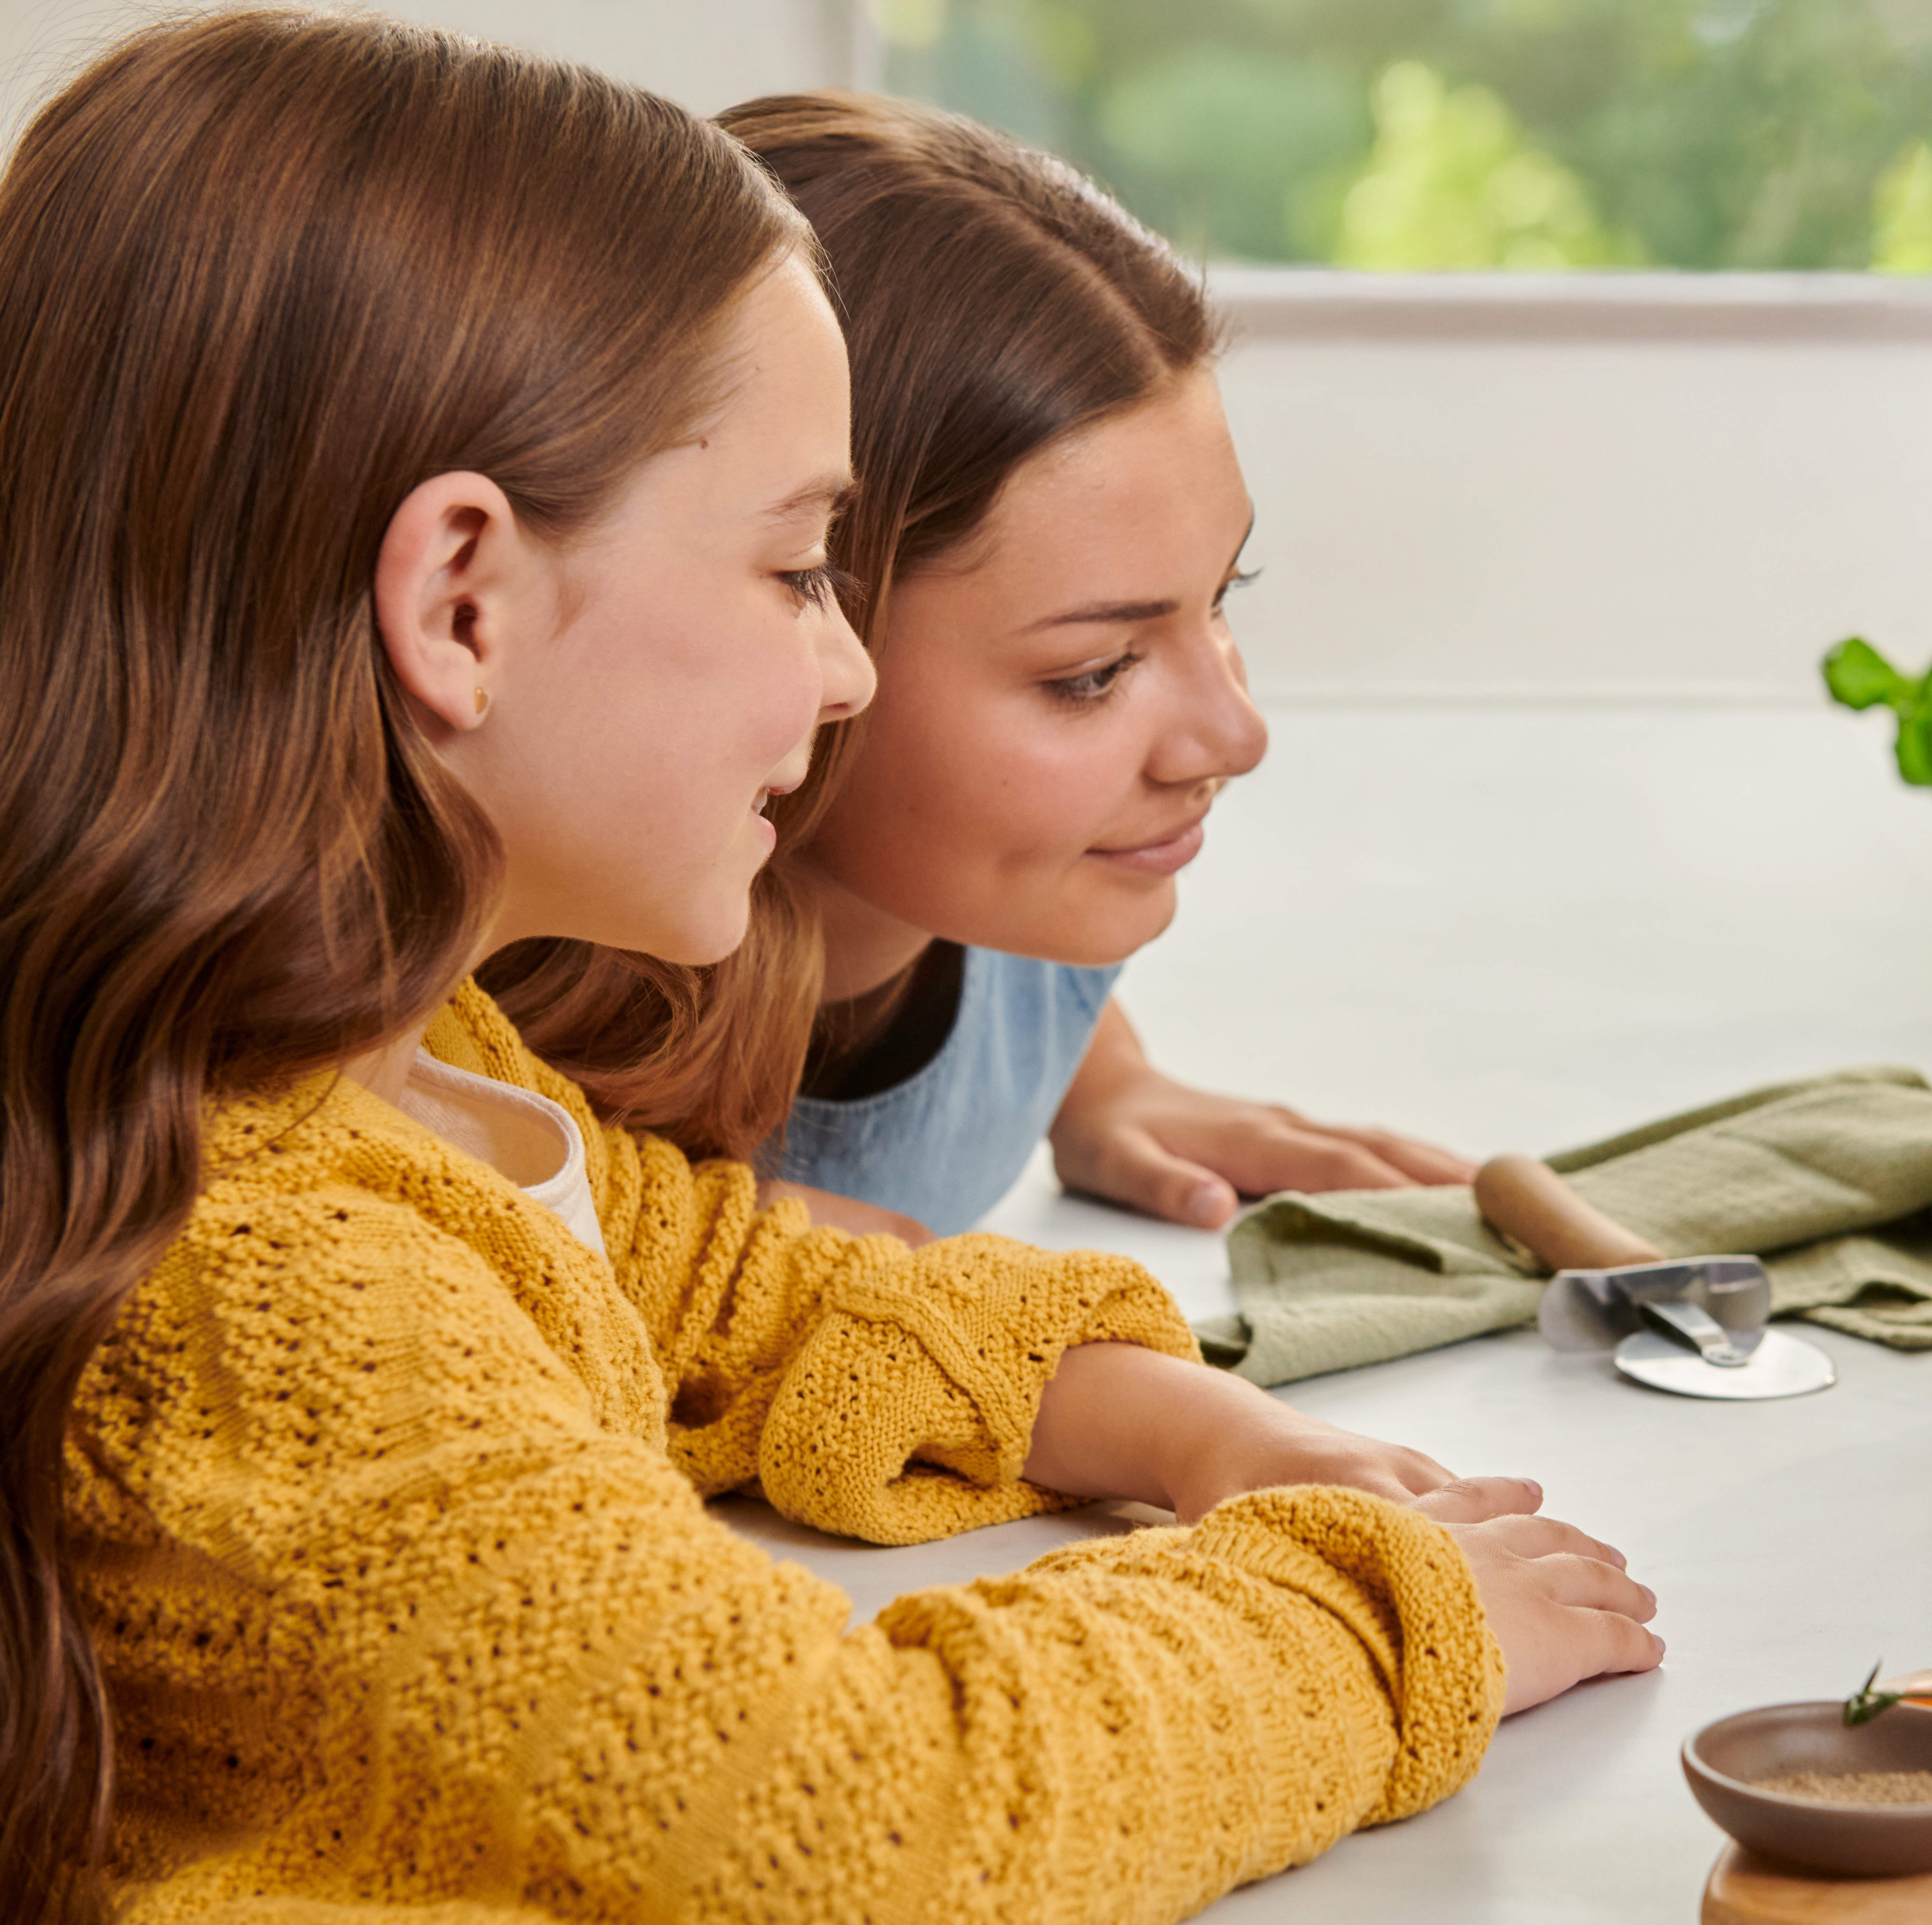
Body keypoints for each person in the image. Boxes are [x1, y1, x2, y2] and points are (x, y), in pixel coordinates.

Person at [0, 14, 1659, 1922]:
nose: (847, 669)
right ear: (462, 603)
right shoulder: (273, 1293)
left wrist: (1205, 1427)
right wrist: (1372, 1617)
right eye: (798, 572)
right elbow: (874, 1816)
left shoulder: (360, 1054)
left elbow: (710, 1279)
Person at [491, 93, 1476, 1241]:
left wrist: (1103, 1083)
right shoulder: (503, 1093)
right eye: (1094, 673)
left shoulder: (1035, 883)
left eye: (1221, 601)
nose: (1236, 737)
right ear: (802, 610)